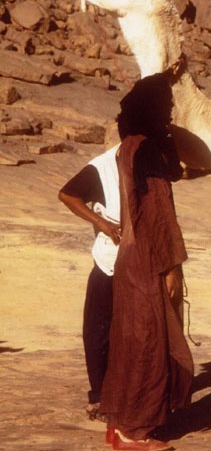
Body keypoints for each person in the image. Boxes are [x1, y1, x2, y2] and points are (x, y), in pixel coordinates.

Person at [100, 73, 194, 451]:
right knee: (148, 344)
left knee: (131, 342)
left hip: (132, 256)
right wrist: (171, 267)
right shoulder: (146, 152)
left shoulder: (131, 147)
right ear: (153, 110)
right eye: (167, 106)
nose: (172, 110)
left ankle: (120, 424)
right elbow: (157, 216)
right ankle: (134, 433)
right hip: (146, 258)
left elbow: (176, 171)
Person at [59, 145, 121, 421]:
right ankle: (99, 395)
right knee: (97, 329)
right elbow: (68, 194)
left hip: (142, 261)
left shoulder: (150, 160)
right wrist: (102, 223)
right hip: (109, 258)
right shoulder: (102, 167)